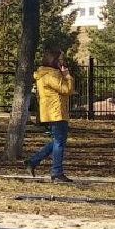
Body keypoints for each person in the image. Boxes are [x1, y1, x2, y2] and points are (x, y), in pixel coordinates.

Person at [26, 49, 74, 183]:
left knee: (58, 141)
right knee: (59, 142)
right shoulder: (51, 75)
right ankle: (57, 173)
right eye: (60, 59)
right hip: (56, 112)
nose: (63, 62)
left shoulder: (46, 74)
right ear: (54, 60)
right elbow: (67, 90)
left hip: (54, 111)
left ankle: (32, 161)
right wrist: (67, 75)